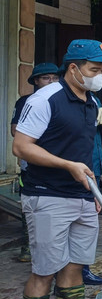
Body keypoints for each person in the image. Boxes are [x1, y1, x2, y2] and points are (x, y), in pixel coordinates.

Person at [14, 39, 102, 299]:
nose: (99, 77)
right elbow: (21, 147)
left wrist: (91, 191)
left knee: (75, 267)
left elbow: (82, 149)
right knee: (45, 271)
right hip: (48, 196)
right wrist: (68, 165)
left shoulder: (91, 101)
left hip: (82, 196)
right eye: (94, 70)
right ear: (73, 68)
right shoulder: (45, 99)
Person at [11, 63, 59, 263]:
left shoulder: (62, 101)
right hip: (31, 165)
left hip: (58, 163)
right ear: (36, 81)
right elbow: (15, 131)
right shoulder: (26, 101)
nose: (51, 82)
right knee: (30, 207)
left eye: (55, 78)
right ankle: (28, 246)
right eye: (46, 78)